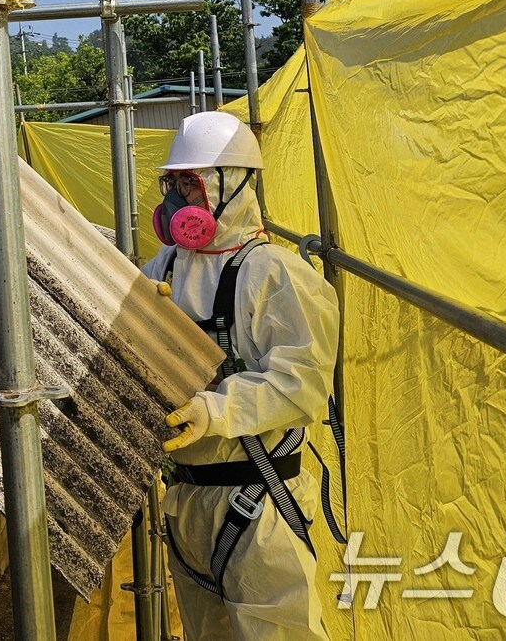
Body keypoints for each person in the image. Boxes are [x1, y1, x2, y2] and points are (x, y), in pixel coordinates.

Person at [142, 111, 339, 640]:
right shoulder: (162, 268)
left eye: (195, 182)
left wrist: (213, 408)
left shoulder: (276, 274)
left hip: (257, 501)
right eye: (175, 183)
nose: (182, 197)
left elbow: (302, 385)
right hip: (185, 497)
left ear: (236, 184)